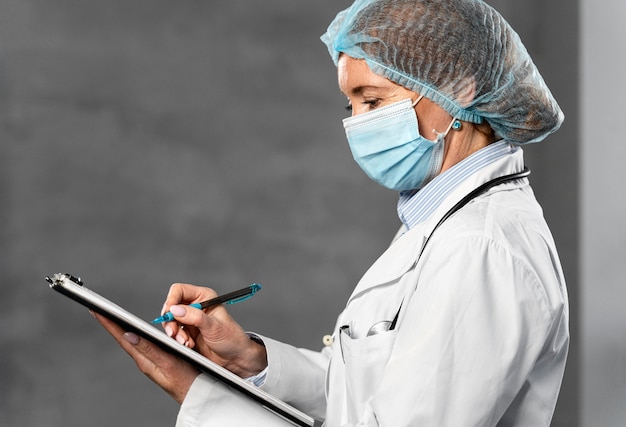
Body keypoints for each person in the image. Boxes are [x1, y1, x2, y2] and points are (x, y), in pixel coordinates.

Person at [96, 0, 569, 425]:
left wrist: (200, 396)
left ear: (460, 89)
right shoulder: (443, 224)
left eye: (374, 100)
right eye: (351, 103)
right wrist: (248, 361)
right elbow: (365, 393)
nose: (358, 124)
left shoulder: (479, 248)